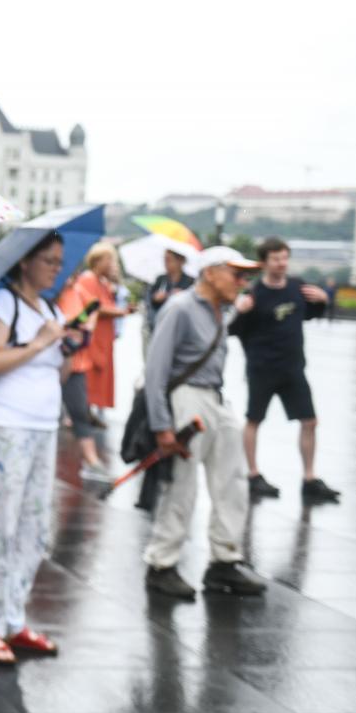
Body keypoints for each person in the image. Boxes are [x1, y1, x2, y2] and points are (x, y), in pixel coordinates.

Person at [0, 233, 83, 665]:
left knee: (35, 529)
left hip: (42, 424)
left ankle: (13, 617)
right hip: (3, 424)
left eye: (59, 261)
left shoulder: (49, 309)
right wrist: (39, 342)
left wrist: (68, 347)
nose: (56, 268)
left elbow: (58, 374)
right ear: (25, 263)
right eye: (48, 261)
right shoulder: (3, 303)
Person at [142, 246, 268, 599]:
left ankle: (225, 561)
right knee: (182, 486)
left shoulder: (220, 311)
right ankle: (161, 564)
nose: (243, 282)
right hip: (187, 399)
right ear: (210, 273)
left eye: (246, 276)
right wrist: (162, 425)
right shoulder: (180, 308)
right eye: (236, 273)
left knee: (233, 481)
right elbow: (155, 371)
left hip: (215, 397)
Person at [228, 237, 337, 503]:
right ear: (264, 263)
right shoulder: (254, 294)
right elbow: (232, 331)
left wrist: (322, 300)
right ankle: (253, 475)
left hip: (293, 368)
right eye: (276, 259)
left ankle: (309, 478)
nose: (282, 263)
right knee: (254, 420)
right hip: (262, 368)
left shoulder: (297, 288)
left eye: (285, 258)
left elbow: (312, 313)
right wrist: (240, 312)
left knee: (310, 422)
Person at [58, 243, 127, 475]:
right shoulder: (57, 293)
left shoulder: (75, 290)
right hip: (60, 358)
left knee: (79, 411)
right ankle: (89, 460)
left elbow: (93, 308)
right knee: (70, 410)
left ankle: (92, 460)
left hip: (75, 358)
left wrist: (83, 324)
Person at [143, 247, 195, 359]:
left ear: (180, 261)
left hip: (181, 329)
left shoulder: (190, 281)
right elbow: (151, 302)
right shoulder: (160, 279)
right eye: (165, 259)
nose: (165, 263)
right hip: (159, 326)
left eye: (169, 260)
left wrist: (183, 295)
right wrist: (156, 298)